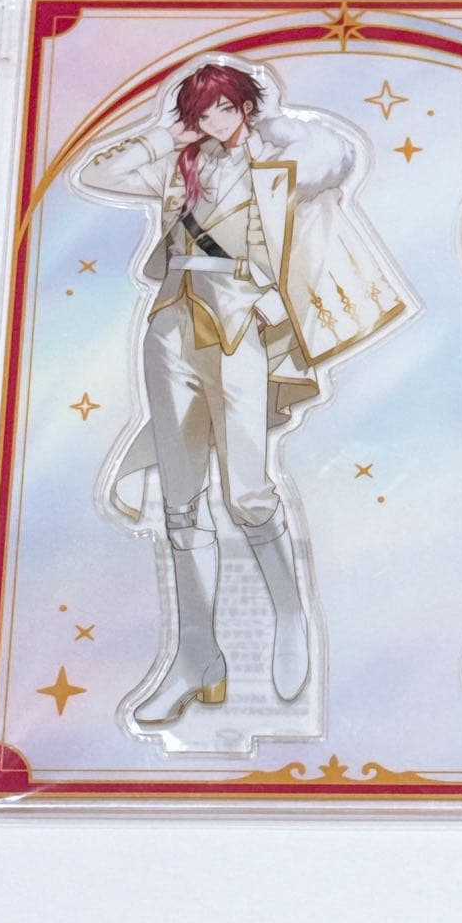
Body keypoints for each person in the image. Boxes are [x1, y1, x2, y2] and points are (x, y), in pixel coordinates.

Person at [76, 56, 407, 725]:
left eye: (223, 107)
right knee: (179, 502)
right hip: (172, 326)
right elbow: (95, 174)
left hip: (242, 329)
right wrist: (165, 135)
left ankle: (291, 617)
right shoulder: (181, 164)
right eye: (201, 111)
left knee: (249, 493)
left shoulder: (278, 164)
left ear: (246, 107)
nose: (212, 120)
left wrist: (276, 127)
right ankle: (198, 659)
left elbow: (336, 161)